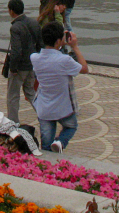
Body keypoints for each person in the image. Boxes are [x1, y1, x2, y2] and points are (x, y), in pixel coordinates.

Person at [31, 22, 89, 152]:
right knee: (71, 127)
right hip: (63, 108)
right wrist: (75, 47)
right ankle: (60, 142)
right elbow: (84, 69)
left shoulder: (34, 58)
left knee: (45, 146)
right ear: (58, 41)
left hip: (44, 107)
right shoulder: (64, 60)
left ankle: (46, 162)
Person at [5, 0, 42, 124]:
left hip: (19, 68)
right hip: (31, 65)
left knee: (13, 96)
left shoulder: (15, 27)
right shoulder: (34, 22)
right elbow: (40, 44)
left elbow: (16, 51)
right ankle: (44, 114)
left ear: (11, 11)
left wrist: (13, 68)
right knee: (31, 92)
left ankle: (13, 122)